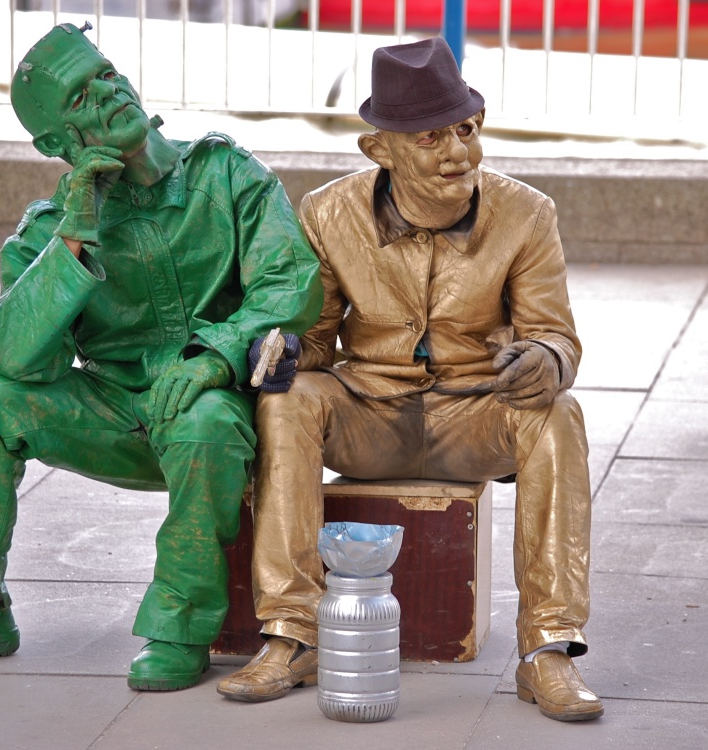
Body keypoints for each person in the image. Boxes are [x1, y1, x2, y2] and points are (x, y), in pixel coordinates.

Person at [0, 22, 322, 693]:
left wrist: (213, 355)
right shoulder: (47, 232)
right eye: (78, 98)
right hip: (113, 410)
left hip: (212, 406)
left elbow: (292, 282)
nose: (106, 95)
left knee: (205, 423)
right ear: (55, 145)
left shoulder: (226, 172)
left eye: (104, 75)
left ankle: (180, 628)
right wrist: (74, 240)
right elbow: (12, 358)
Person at [217, 37, 604, 722]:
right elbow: (315, 337)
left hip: (474, 416)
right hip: (369, 410)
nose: (459, 152)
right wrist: (277, 350)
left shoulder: (525, 213)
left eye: (466, 128)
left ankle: (546, 648)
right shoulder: (328, 213)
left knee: (558, 415)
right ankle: (291, 634)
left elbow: (556, 335)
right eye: (430, 138)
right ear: (380, 151)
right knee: (287, 403)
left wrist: (543, 361)